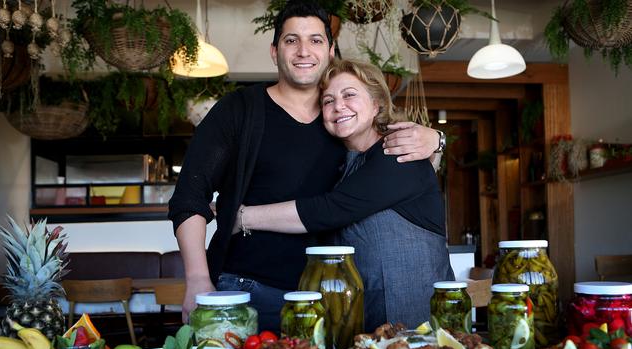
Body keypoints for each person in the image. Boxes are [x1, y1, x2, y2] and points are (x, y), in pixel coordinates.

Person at [168, 1, 444, 331]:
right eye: (291, 40)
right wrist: (197, 279)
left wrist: (437, 139)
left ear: (330, 52)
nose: (303, 51)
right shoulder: (240, 110)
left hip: (329, 297)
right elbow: (189, 196)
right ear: (274, 52)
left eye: (315, 40)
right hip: (249, 289)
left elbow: (351, 194)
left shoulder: (344, 124)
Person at [234, 59, 455, 331]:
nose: (338, 106)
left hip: (417, 326)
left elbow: (329, 210)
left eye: (349, 94)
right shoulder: (341, 165)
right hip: (364, 325)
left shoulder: (398, 155)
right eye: (328, 101)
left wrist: (242, 216)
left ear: (376, 104)